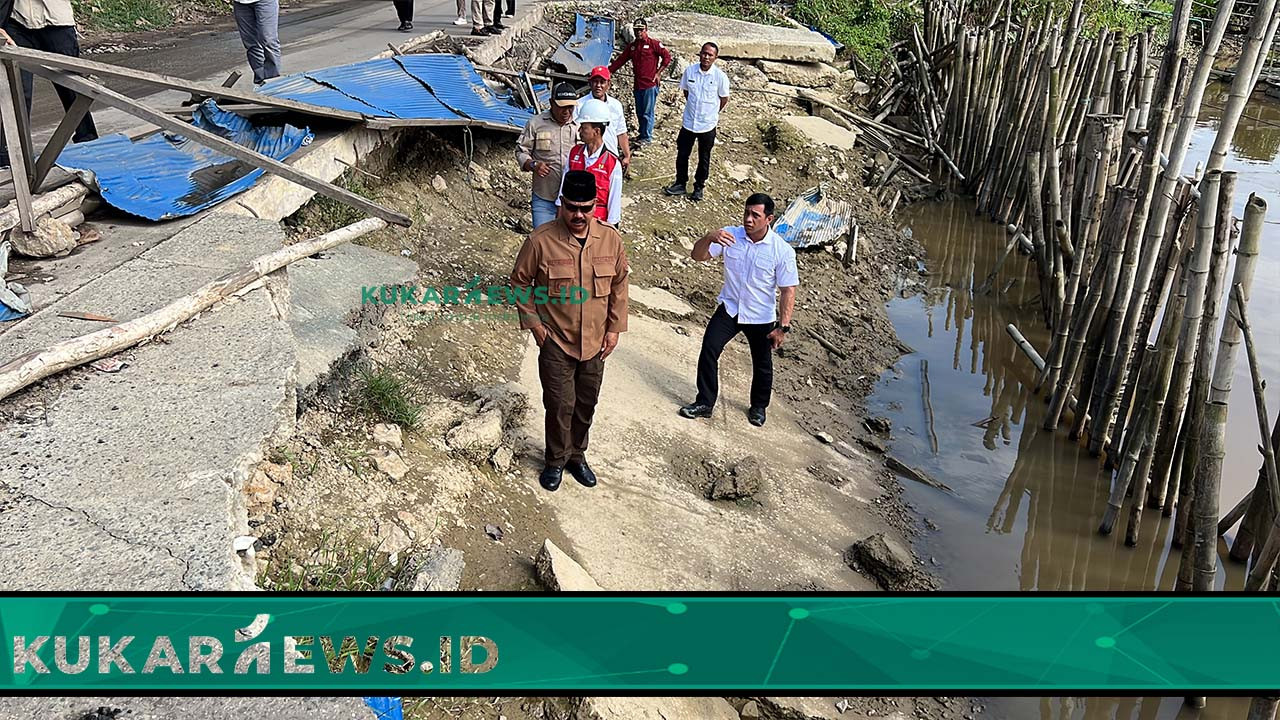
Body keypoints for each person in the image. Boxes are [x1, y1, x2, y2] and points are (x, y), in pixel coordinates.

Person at [510, 169, 630, 492]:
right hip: (557, 341)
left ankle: (577, 455)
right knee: (559, 405)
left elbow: (619, 284)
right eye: (572, 207)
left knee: (586, 403)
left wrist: (615, 329)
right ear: (561, 203)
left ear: (595, 205)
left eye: (585, 208)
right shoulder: (541, 241)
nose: (578, 215)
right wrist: (535, 325)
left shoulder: (610, 239)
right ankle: (555, 460)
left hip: (595, 342)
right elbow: (519, 282)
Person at [678, 193, 797, 428]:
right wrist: (709, 237)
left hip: (760, 315)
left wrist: (782, 327)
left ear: (769, 219)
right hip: (730, 309)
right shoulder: (729, 236)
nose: (748, 219)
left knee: (762, 363)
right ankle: (705, 402)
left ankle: (758, 407)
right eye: (746, 213)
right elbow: (697, 256)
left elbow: (788, 291)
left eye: (755, 215)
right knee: (709, 349)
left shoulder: (781, 251)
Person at [0, 0, 95, 168]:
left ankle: (89, 141)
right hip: (16, 22)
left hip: (55, 22)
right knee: (18, 89)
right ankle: (10, 153)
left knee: (72, 88)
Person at [664, 42, 730, 203]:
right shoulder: (690, 71)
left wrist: (711, 113)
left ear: (715, 57)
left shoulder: (720, 77)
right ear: (700, 53)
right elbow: (686, 91)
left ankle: (699, 187)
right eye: (704, 53)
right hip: (688, 122)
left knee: (704, 157)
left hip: (707, 125)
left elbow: (724, 99)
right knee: (682, 153)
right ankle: (680, 183)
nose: (706, 57)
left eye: (710, 55)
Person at [516, 82, 579, 230]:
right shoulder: (535, 124)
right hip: (544, 196)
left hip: (571, 200)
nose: (566, 111)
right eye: (562, 107)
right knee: (542, 238)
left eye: (570, 107)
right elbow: (521, 151)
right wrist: (533, 165)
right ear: (551, 103)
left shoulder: (580, 127)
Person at [608, 17, 670, 147]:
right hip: (638, 84)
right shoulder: (633, 47)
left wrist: (658, 73)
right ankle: (642, 134)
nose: (639, 32)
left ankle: (647, 137)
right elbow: (620, 60)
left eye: (641, 30)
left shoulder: (654, 44)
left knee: (647, 112)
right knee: (640, 112)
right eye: (636, 30)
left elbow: (667, 57)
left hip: (650, 84)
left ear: (646, 29)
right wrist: (608, 72)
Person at [558, 98, 621, 227]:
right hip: (571, 222)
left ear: (596, 131)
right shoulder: (574, 153)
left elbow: (614, 205)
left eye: (584, 127)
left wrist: (609, 232)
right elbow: (562, 193)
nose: (579, 131)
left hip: (597, 225)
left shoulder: (612, 164)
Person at [573, 66, 630, 173]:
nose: (598, 85)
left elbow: (621, 132)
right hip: (587, 159)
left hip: (611, 158)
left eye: (602, 82)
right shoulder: (580, 105)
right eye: (595, 81)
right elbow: (575, 133)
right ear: (590, 83)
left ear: (609, 84)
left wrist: (627, 155)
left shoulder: (616, 105)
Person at [231, 0, 281, 86]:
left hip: (265, 2)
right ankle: (260, 80)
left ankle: (272, 81)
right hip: (240, 4)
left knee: (268, 40)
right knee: (251, 43)